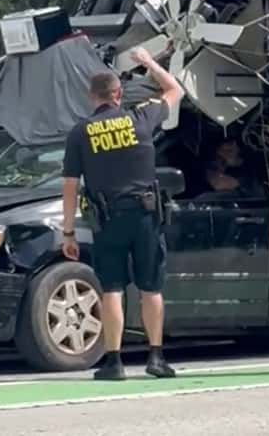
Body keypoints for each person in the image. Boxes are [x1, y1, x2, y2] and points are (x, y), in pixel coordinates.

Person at [60, 47, 184, 381]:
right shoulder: (140, 118)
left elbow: (70, 186)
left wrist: (68, 232)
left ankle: (113, 362)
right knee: (151, 289)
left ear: (92, 96)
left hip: (107, 220)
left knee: (111, 288)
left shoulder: (80, 132)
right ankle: (155, 358)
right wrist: (148, 63)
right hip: (145, 217)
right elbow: (176, 90)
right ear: (118, 95)